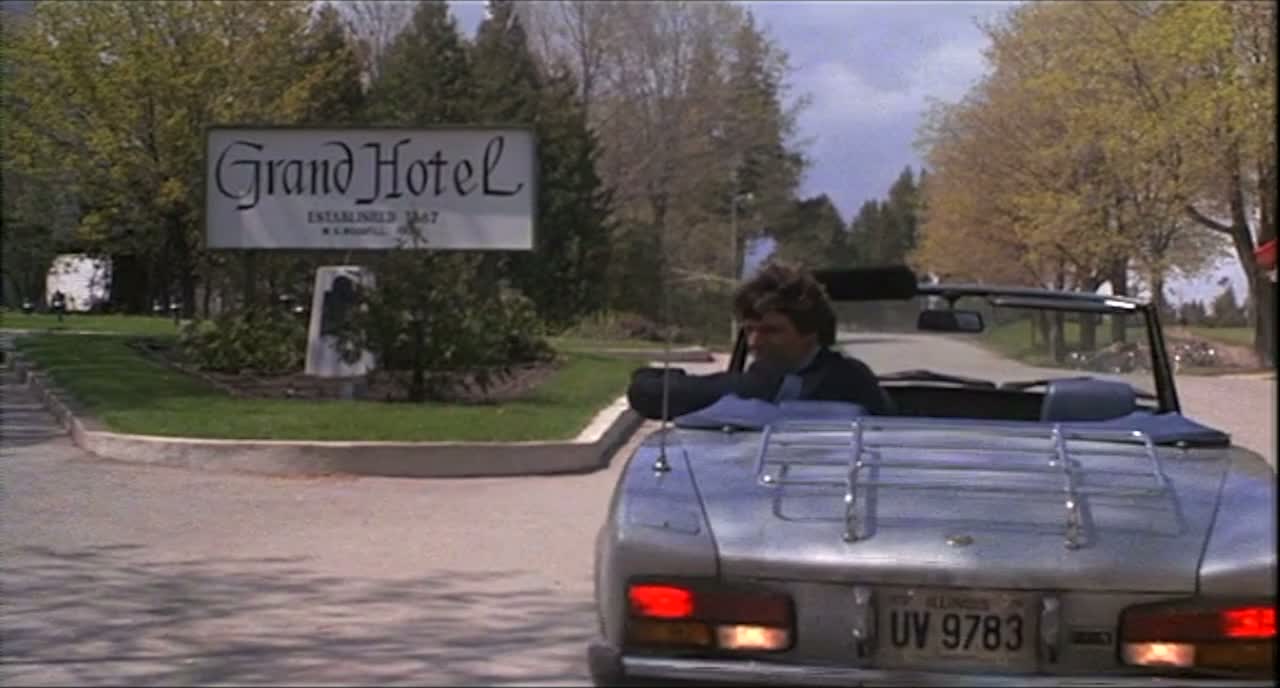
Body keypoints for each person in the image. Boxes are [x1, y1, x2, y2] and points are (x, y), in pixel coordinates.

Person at [626, 262, 894, 419]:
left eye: (771, 331)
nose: (755, 341)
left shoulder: (833, 382)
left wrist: (649, 376)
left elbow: (646, 393)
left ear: (810, 332)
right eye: (749, 329)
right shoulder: (854, 375)